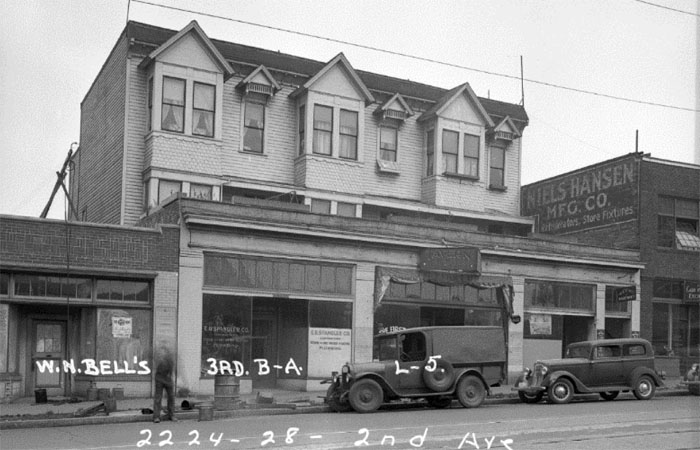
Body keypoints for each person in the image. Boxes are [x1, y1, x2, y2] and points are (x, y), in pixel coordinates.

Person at [153, 345, 177, 423]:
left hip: (167, 379)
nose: (162, 353)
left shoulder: (170, 359)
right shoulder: (158, 359)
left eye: (164, 352)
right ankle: (156, 416)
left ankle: (171, 415)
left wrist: (171, 378)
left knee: (171, 397)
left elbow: (172, 369)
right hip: (159, 378)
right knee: (158, 398)